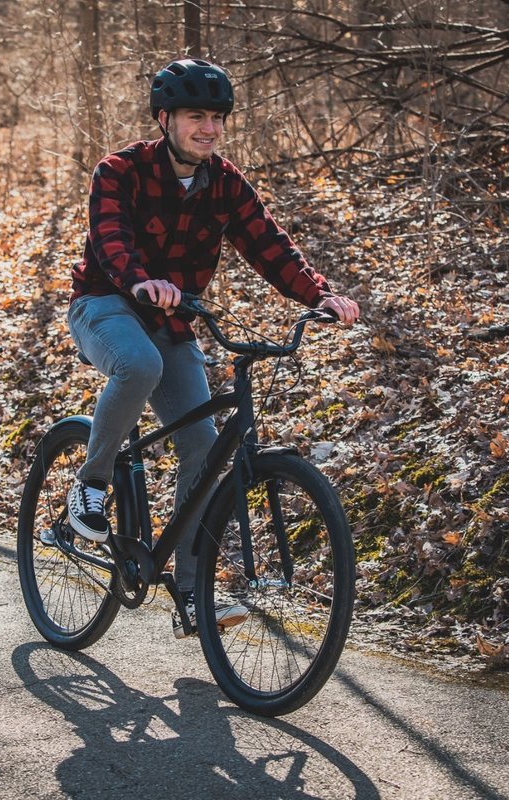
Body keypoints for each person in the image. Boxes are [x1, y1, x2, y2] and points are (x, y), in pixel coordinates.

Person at [66, 59, 360, 639]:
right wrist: (141, 281)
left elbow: (270, 245)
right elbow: (110, 240)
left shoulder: (225, 183)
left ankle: (189, 593)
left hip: (174, 320)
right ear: (165, 119)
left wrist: (319, 294)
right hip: (105, 303)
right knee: (139, 364)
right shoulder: (120, 171)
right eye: (196, 116)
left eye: (217, 118)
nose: (209, 128)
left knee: (202, 446)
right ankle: (92, 483)